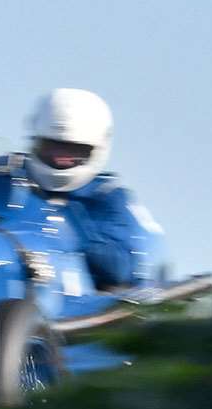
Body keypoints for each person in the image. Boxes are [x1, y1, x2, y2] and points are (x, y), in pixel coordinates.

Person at [20, 88, 168, 291]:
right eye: (52, 147)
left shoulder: (105, 196)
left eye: (73, 151)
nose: (61, 159)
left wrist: (68, 229)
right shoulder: (10, 176)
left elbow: (119, 269)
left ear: (96, 149)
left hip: (72, 299)